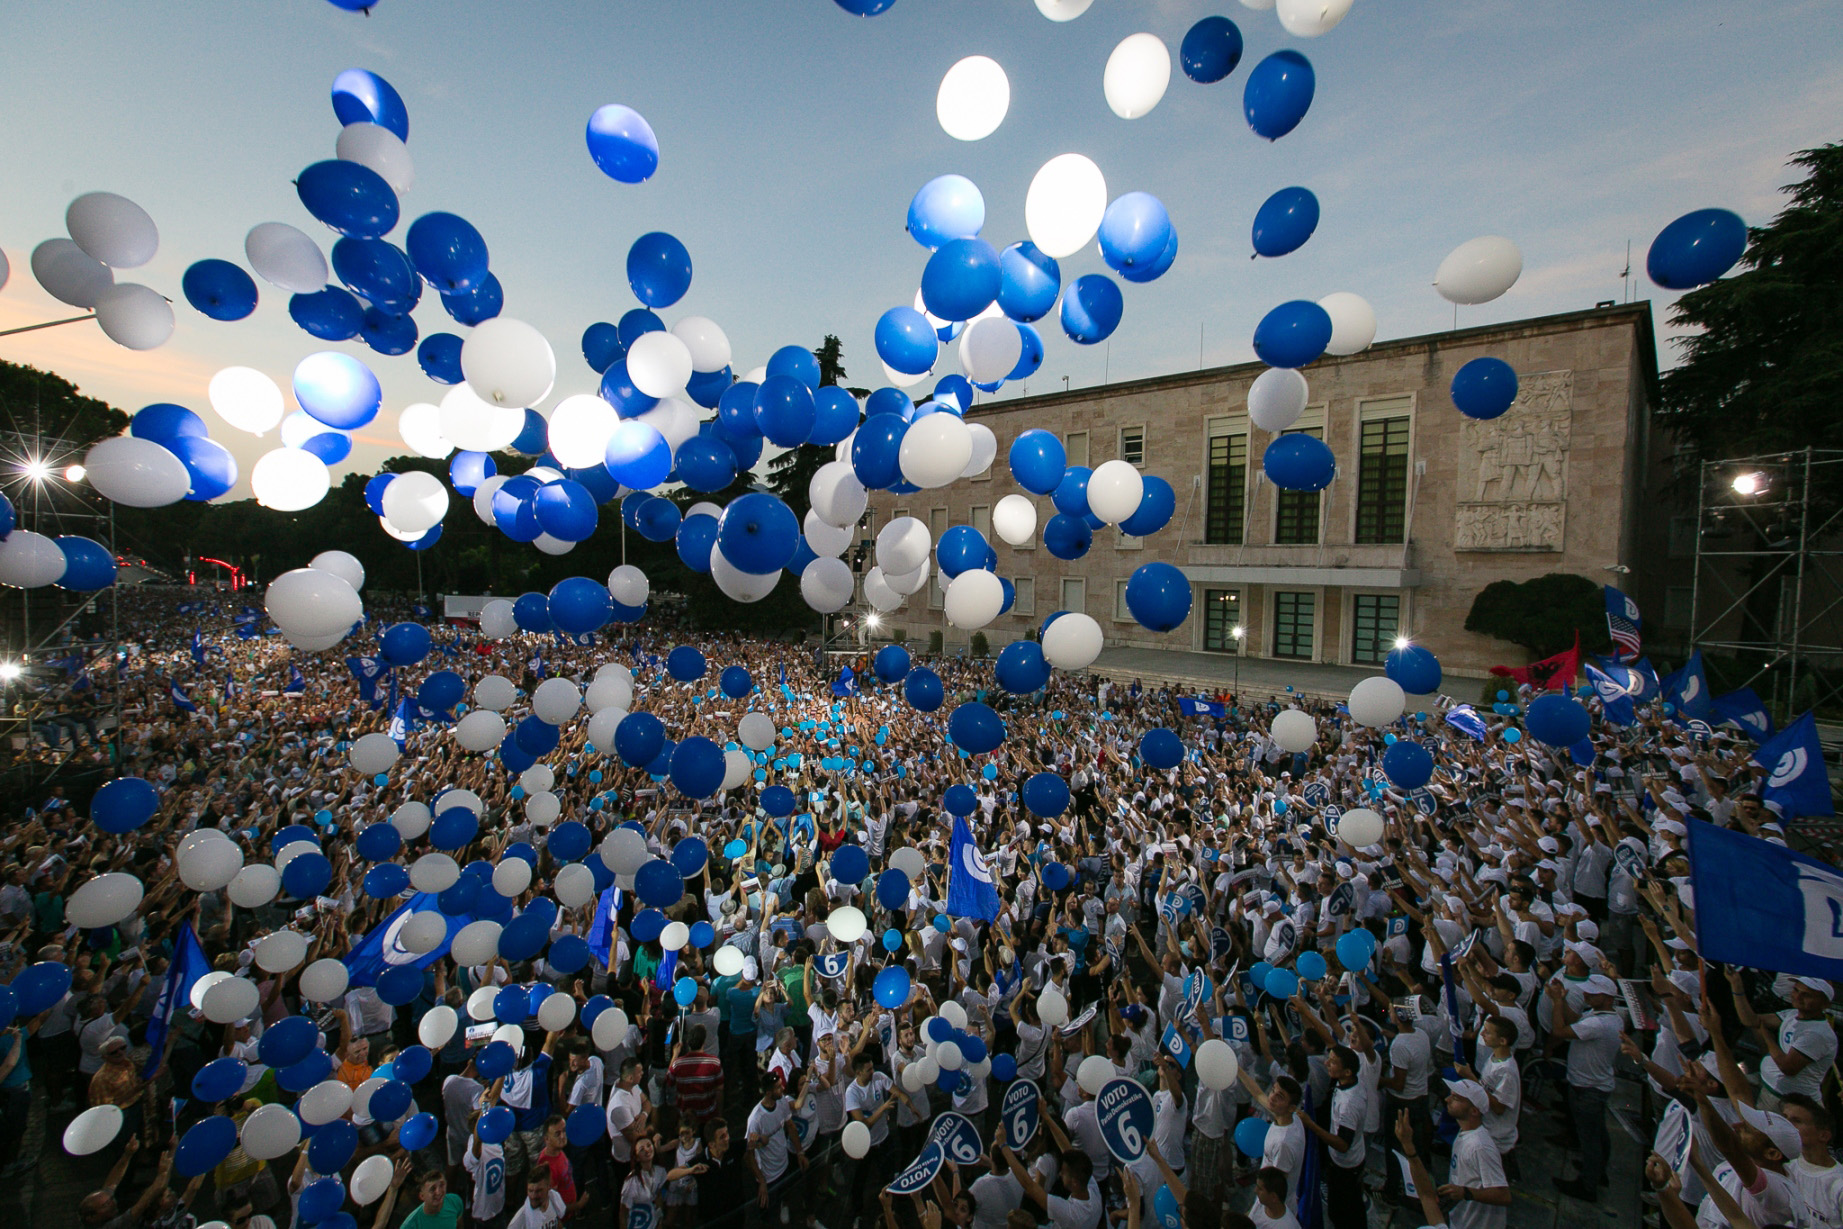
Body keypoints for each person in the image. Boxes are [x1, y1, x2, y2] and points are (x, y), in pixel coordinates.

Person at [1547, 972, 1624, 1200]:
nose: (1587, 994)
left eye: (1594, 993)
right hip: (1597, 1084)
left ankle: (1588, 1185)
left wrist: (1557, 1002)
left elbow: (1559, 1030)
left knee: (1590, 1139)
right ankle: (1597, 1171)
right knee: (1598, 1134)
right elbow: (1575, 1020)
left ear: (1608, 998)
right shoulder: (1607, 1017)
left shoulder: (1597, 1024)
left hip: (1588, 1087)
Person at [1296, 1045, 1368, 1229]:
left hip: (1345, 1164)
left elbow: (1343, 1144)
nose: (1327, 1062)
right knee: (1353, 1203)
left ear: (1347, 1071)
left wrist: (1312, 1126)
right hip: (1350, 1158)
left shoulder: (1349, 1105)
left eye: (1333, 1062)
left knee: (1340, 1210)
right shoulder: (1348, 1083)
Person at [1437, 1078, 1510, 1229]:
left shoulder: (1480, 1146)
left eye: (1455, 1098)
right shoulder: (1464, 1134)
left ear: (1474, 1111)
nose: (1447, 1100)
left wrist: (1466, 1193)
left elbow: (1503, 1195)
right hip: (1461, 1220)